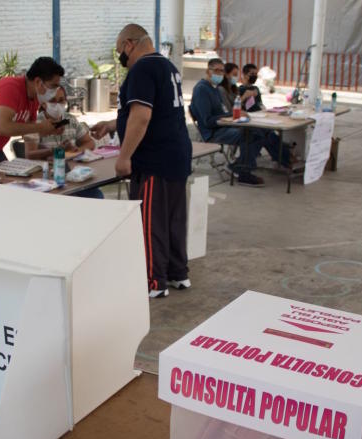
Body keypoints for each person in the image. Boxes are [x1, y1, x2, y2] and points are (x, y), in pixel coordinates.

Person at [91, 23, 193, 299]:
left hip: (154, 159)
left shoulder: (142, 69)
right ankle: (177, 273)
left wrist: (124, 156)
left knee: (150, 222)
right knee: (173, 218)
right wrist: (113, 124)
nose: (120, 59)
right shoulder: (166, 66)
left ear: (128, 44)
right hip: (175, 155)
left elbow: (142, 117)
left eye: (119, 51)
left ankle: (154, 281)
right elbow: (150, 112)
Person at [190, 58, 278, 187]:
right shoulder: (202, 90)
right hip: (213, 132)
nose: (220, 74)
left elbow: (224, 111)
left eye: (222, 71)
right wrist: (232, 115)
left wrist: (235, 115)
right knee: (251, 134)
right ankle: (244, 172)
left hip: (225, 125)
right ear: (208, 71)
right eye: (216, 70)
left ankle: (237, 167)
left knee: (261, 131)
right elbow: (207, 121)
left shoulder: (215, 89)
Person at [24, 85, 103, 199]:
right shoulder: (35, 123)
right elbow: (29, 155)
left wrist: (75, 151)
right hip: (46, 178)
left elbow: (90, 143)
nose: (57, 105)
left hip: (72, 174)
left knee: (95, 195)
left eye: (61, 100)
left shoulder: (70, 120)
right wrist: (55, 151)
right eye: (52, 101)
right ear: (43, 103)